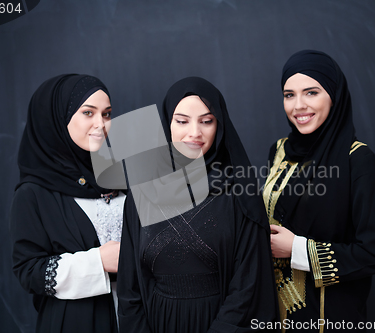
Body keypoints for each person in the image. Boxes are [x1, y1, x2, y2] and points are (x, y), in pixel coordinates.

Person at [117, 76, 280, 332]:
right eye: (182, 121)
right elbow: (130, 287)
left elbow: (249, 284)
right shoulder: (142, 192)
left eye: (206, 121)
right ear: (166, 124)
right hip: (157, 323)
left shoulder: (240, 194)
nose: (195, 132)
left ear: (220, 126)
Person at [264, 50, 375, 332]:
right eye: (289, 95)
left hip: (328, 316)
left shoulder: (357, 160)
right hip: (273, 310)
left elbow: (374, 252)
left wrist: (296, 248)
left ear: (333, 95)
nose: (298, 106)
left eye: (311, 93)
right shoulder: (279, 150)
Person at [10, 74, 125, 333]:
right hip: (76, 323)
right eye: (88, 113)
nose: (102, 124)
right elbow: (29, 271)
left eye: (107, 114)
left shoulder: (120, 176)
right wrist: (99, 261)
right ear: (59, 119)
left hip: (137, 318)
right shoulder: (33, 193)